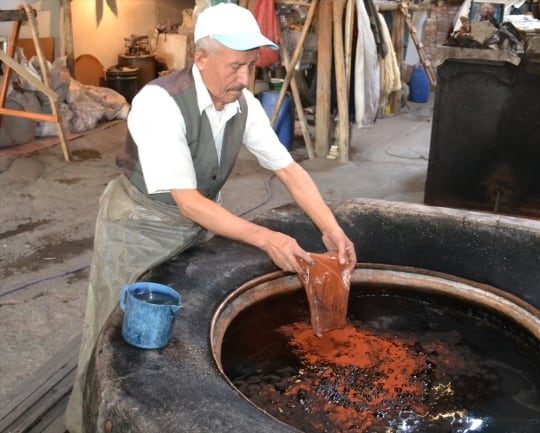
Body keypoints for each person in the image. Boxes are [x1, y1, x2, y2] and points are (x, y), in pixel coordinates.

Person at [64, 4, 357, 433]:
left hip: (195, 227)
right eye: (235, 66)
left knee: (179, 327)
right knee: (114, 332)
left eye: (251, 66)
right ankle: (84, 422)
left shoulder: (243, 105)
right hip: (140, 226)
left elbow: (289, 170)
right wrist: (268, 238)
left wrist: (332, 229)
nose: (244, 78)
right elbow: (189, 201)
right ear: (201, 58)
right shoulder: (159, 103)